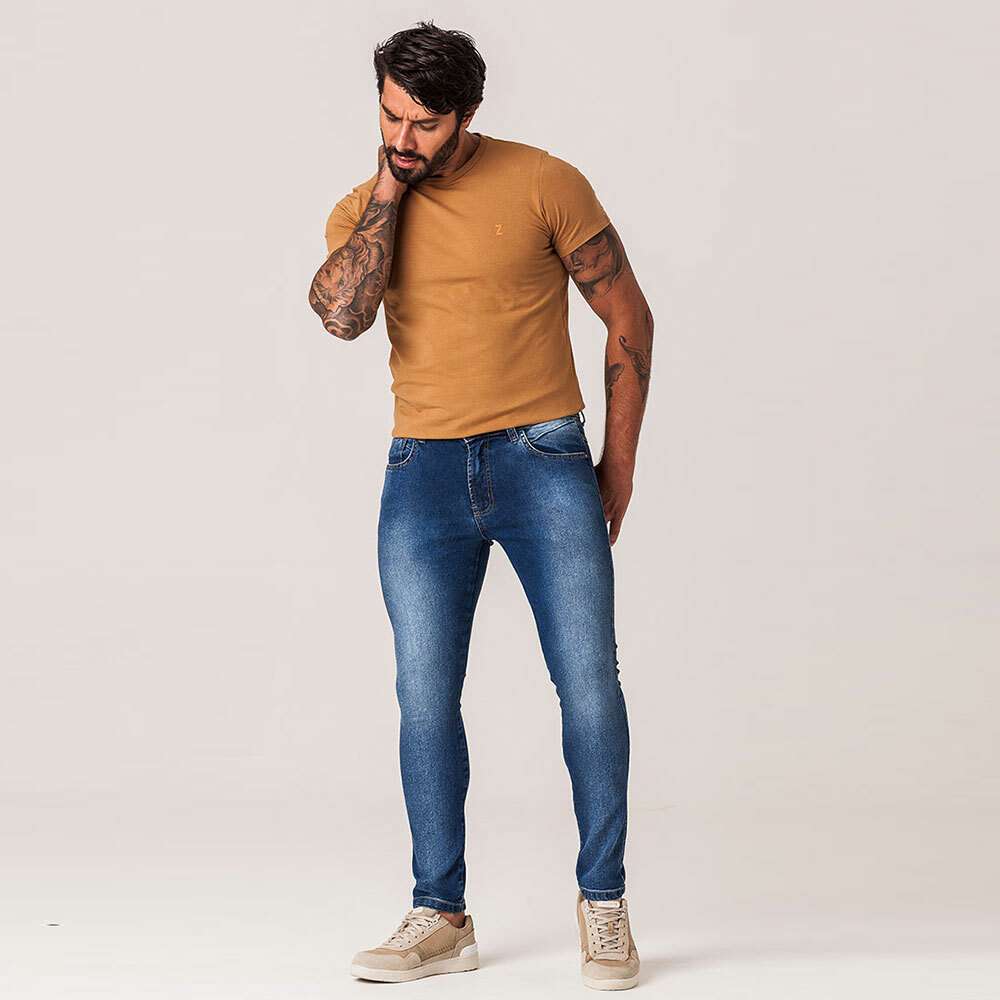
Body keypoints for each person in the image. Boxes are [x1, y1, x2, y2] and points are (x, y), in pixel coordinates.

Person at [308, 20, 652, 991]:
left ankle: (604, 902)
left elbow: (627, 315)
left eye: (424, 123)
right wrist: (390, 190)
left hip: (543, 458)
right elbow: (340, 316)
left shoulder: (544, 182)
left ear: (468, 115)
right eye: (389, 116)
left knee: (588, 684)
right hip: (421, 471)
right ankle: (440, 913)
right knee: (423, 694)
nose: (402, 137)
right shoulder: (364, 208)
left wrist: (617, 468)